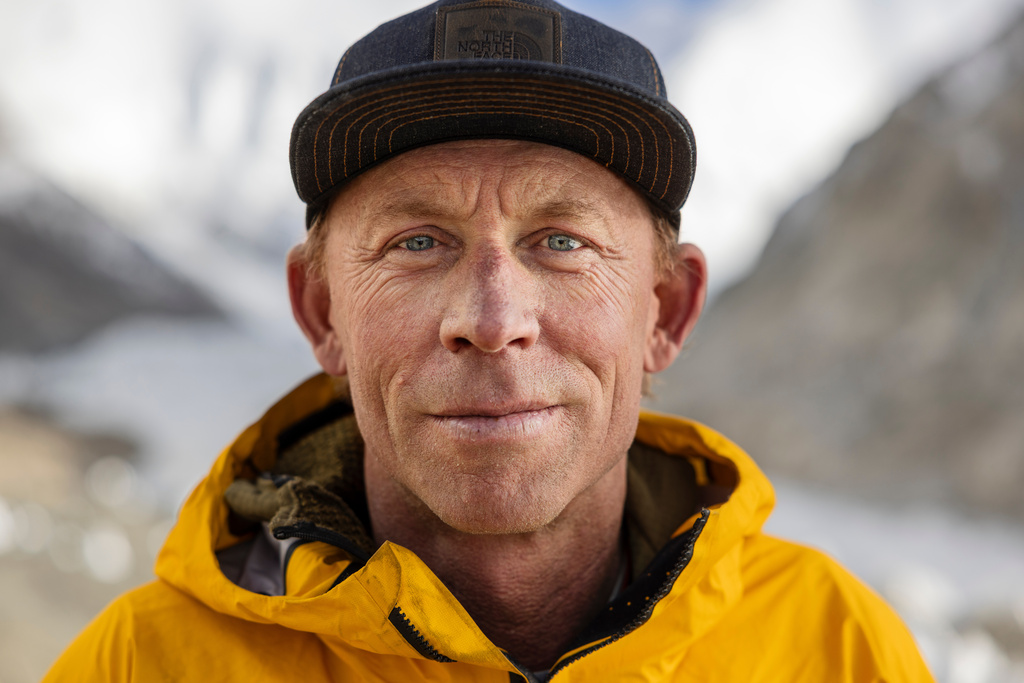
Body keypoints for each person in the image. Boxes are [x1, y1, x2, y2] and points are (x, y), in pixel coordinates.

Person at [46, 0, 936, 680]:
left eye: (562, 240)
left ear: (665, 311)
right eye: (416, 242)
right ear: (322, 314)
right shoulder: (143, 661)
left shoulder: (835, 645)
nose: (492, 315)